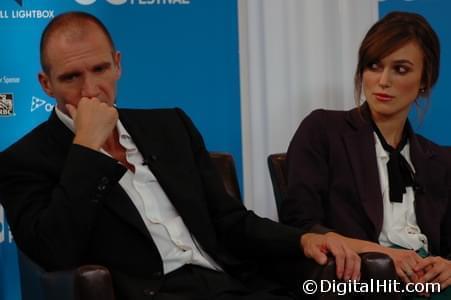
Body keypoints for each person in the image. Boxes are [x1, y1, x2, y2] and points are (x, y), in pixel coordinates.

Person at [0, 11, 360, 300]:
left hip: (230, 285)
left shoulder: (170, 125)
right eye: (71, 77)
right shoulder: (23, 160)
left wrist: (302, 239)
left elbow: (230, 220)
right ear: (46, 84)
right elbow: (53, 254)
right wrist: (86, 149)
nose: (91, 90)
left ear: (118, 64)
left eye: (100, 69)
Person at [281, 11, 451, 299]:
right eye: (374, 66)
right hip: (363, 278)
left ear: (425, 79)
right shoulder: (323, 130)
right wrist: (383, 255)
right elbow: (300, 225)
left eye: (401, 69)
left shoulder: (440, 159)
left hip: (427, 279)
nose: (383, 80)